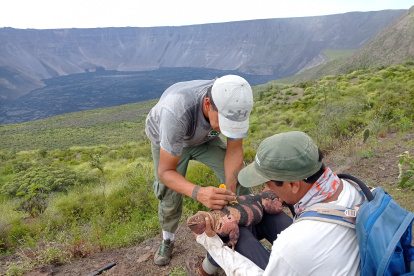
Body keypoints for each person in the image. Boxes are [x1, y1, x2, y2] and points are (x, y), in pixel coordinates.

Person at [193, 131, 364, 275]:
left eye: (268, 183)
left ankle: (205, 268)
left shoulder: (291, 243)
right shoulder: (354, 188)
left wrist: (211, 243)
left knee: (240, 238)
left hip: (309, 252)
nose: (266, 188)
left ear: (293, 185)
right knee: (265, 218)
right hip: (341, 259)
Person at [145, 75, 254, 271]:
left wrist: (229, 190)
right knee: (169, 195)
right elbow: (165, 172)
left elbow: (235, 150)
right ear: (207, 104)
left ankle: (246, 229)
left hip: (204, 139)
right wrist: (199, 193)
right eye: (223, 123)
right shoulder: (175, 111)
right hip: (168, 141)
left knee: (238, 179)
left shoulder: (235, 102)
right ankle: (167, 240)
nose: (227, 130)